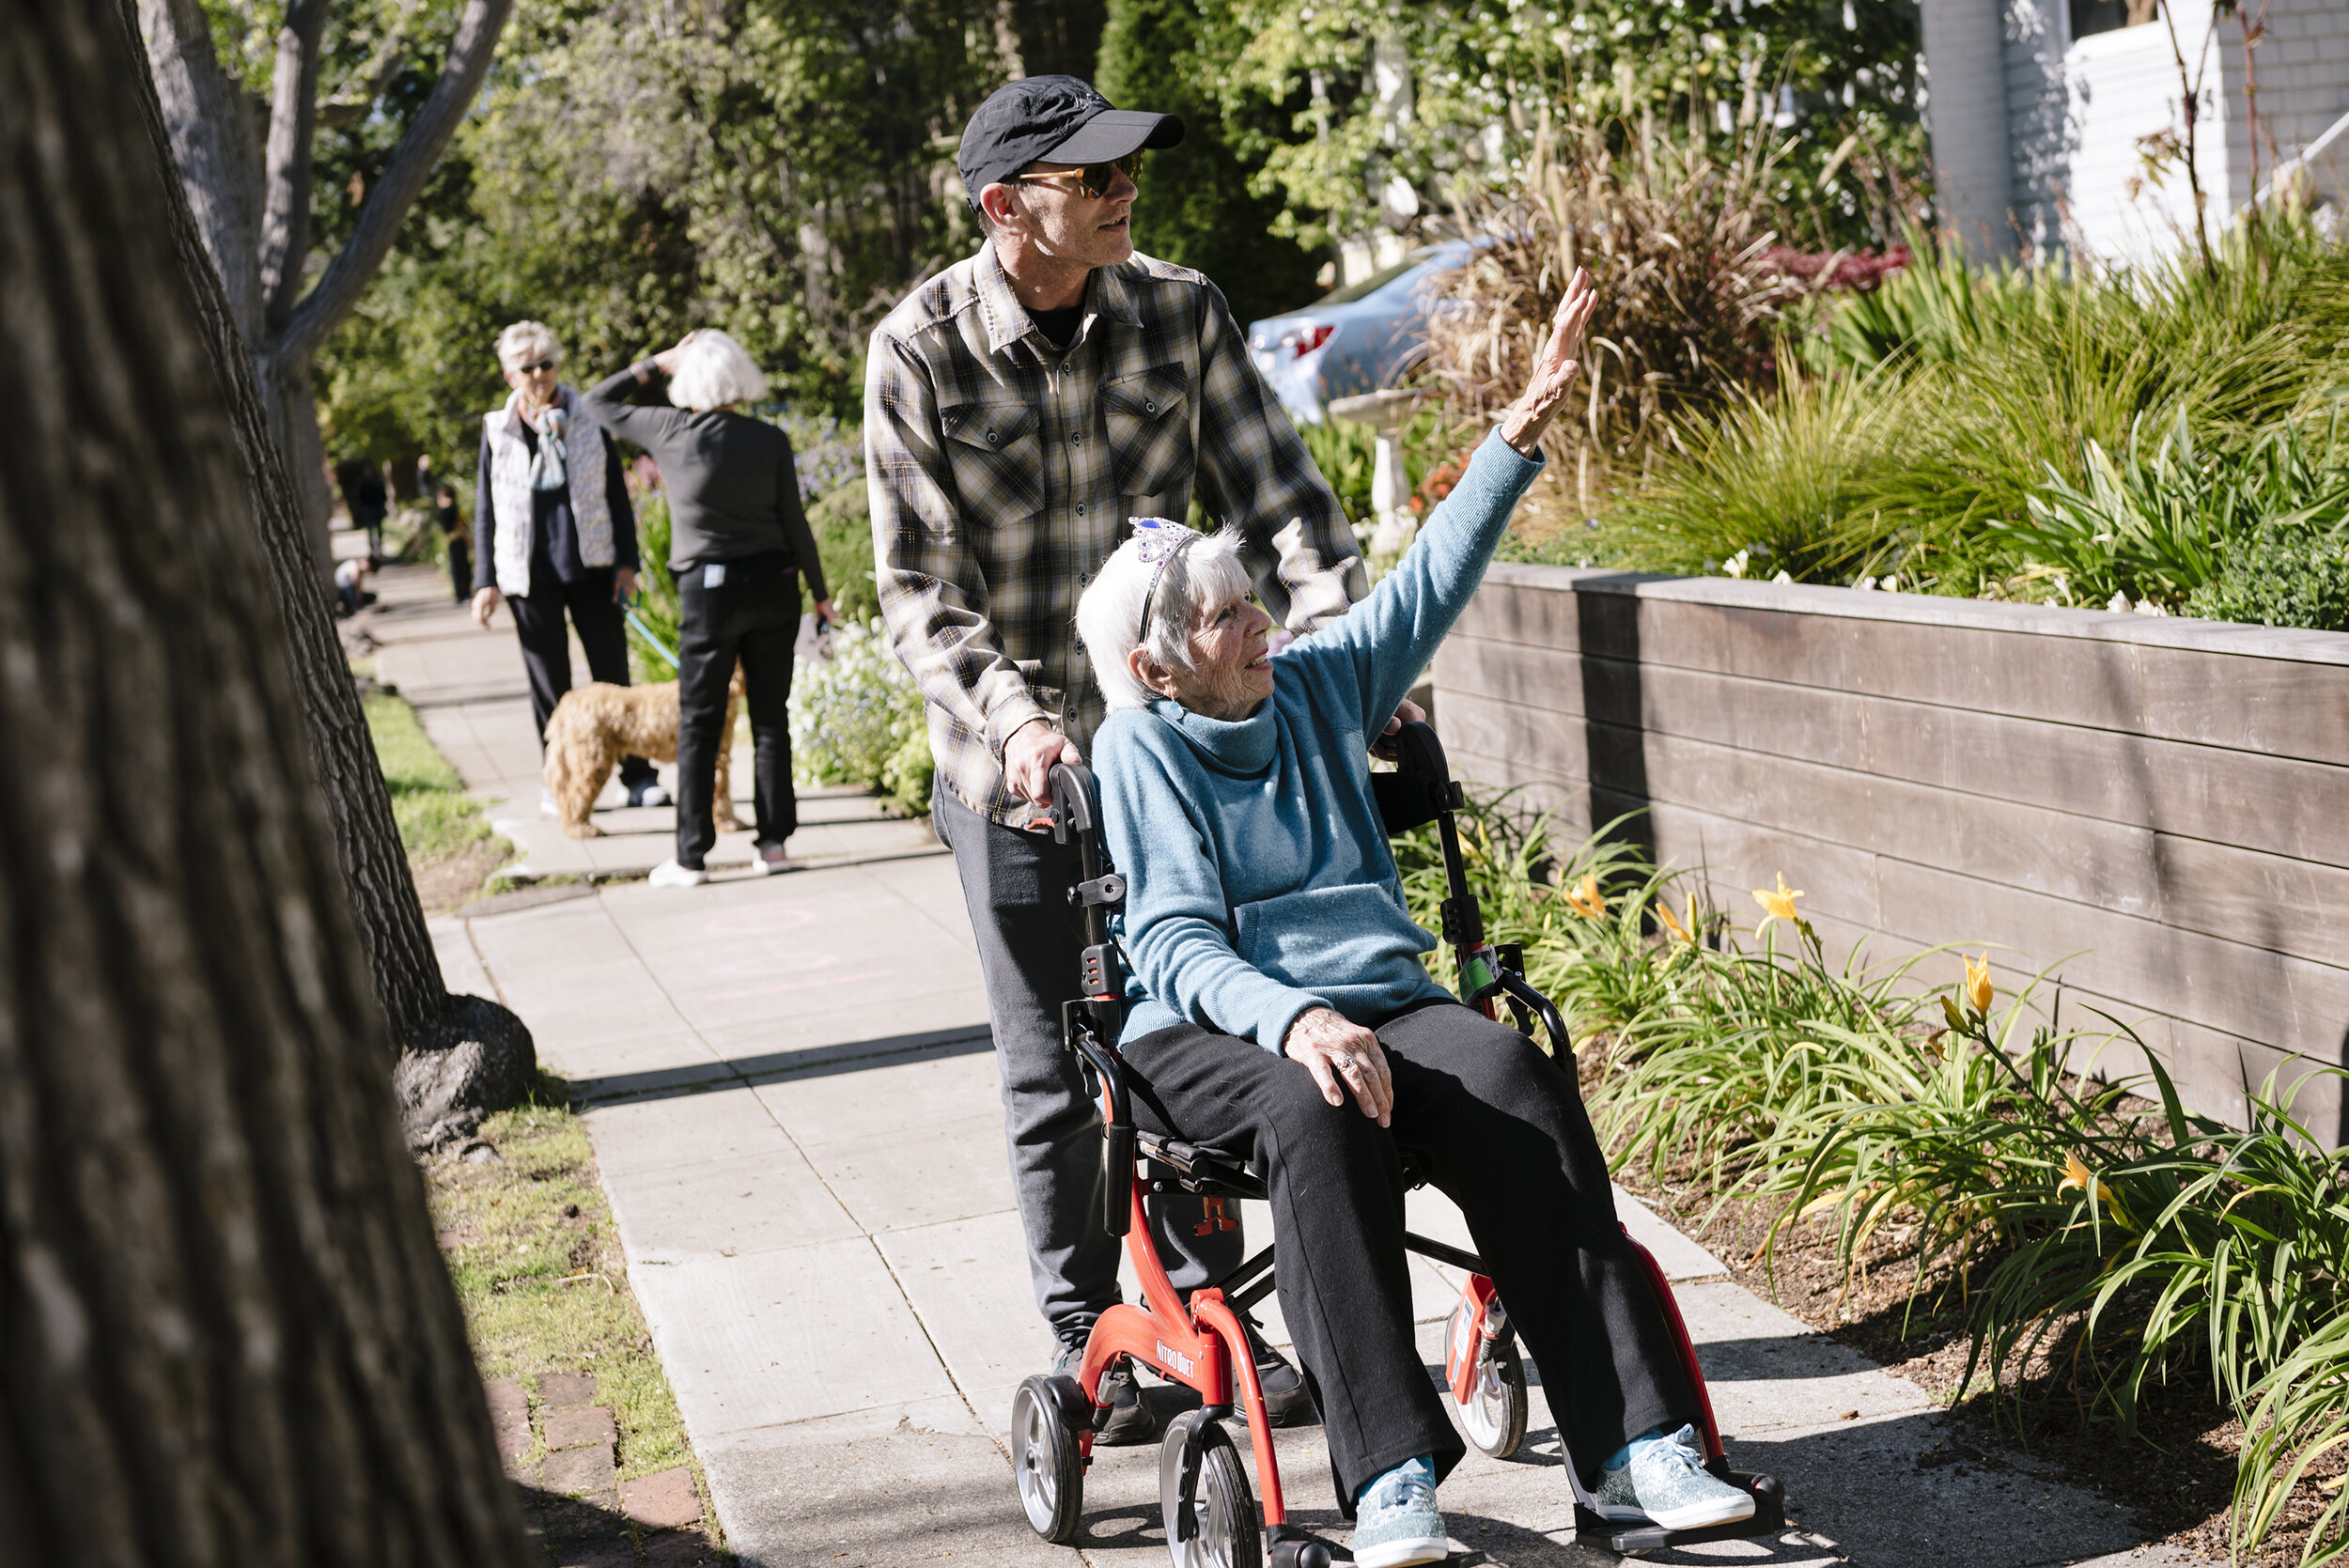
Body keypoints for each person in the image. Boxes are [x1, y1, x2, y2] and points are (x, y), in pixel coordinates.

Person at [1072, 273, 1757, 1567]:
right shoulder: (1141, 749)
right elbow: (1170, 944)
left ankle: (1629, 1455)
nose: (1258, 621)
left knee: (1509, 1070)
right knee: (1311, 1107)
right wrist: (1300, 1018)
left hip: (1379, 1001)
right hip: (1210, 1029)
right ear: (1159, 664)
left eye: (1250, 598)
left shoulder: (1319, 689)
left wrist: (1519, 429)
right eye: (1224, 616)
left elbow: (1426, 584)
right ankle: (1390, 1473)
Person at [864, 72, 1377, 1442]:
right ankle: (1093, 1331)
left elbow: (1289, 505)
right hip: (1014, 770)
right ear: (1005, 205)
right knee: (1058, 1067)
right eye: (1089, 178)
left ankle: (1210, 1311)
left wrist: (1332, 663)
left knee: (1192, 1029)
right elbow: (921, 592)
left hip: (1178, 763)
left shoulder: (1181, 310)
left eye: (1123, 170)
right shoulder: (917, 351)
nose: (1120, 191)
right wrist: (1024, 724)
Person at [583, 330, 832, 886]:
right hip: (775, 586)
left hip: (709, 592)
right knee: (771, 718)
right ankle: (773, 846)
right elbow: (796, 523)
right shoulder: (769, 439)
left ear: (688, 379)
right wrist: (819, 592)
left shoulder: (670, 430)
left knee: (699, 721)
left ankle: (691, 855)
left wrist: (656, 362)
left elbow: (595, 402)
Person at [471, 320, 667, 816]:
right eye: (527, 367)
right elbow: (485, 508)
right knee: (548, 686)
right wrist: (484, 581)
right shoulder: (498, 429)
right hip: (527, 571)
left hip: (592, 563)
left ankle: (638, 776)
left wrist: (627, 563)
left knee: (612, 675)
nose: (539, 375)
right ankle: (558, 780)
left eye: (546, 364)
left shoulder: (589, 414)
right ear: (509, 375)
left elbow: (617, 495)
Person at [433, 483, 472, 605]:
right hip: (456, 540)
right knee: (460, 568)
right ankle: (463, 593)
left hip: (456, 540)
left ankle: (462, 593)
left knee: (459, 568)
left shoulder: (449, 510)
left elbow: (457, 525)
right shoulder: (453, 509)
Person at [333, 553, 377, 617]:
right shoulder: (354, 566)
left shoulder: (359, 569)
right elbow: (356, 585)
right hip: (344, 589)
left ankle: (350, 607)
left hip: (348, 589)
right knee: (352, 588)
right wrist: (359, 602)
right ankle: (354, 609)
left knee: (372, 596)